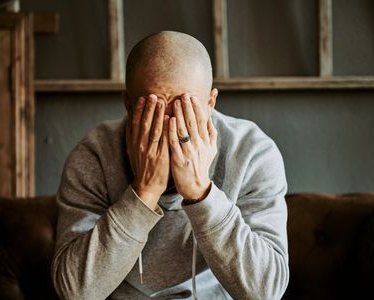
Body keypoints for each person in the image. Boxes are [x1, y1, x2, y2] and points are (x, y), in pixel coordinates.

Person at [52, 31, 289, 300]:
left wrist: (201, 193)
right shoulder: (94, 155)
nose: (171, 127)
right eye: (153, 110)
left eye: (184, 109)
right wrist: (144, 192)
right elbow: (74, 292)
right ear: (129, 105)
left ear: (210, 103)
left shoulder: (251, 153)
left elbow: (266, 292)